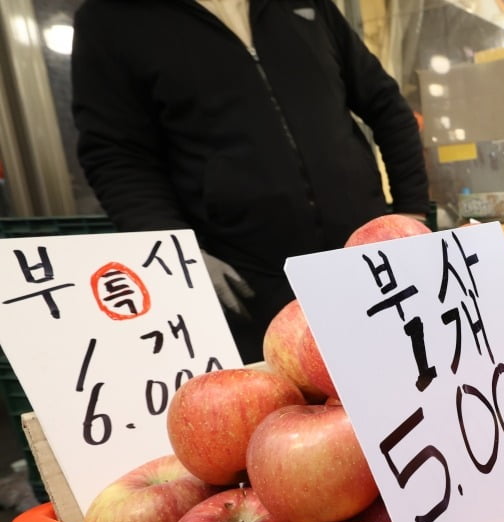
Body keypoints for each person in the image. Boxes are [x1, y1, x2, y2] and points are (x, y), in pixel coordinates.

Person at [71, 0, 430, 363]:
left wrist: (411, 212)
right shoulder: (112, 19)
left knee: (410, 378)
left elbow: (387, 106)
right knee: (281, 405)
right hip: (248, 286)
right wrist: (177, 251)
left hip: (367, 265)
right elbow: (116, 156)